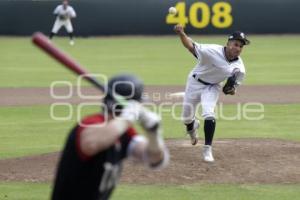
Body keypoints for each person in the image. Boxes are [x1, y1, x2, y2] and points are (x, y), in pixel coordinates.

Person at [51, 74, 169, 200]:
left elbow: (155, 159)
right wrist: (126, 118)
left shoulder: (124, 133)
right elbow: (91, 144)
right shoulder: (92, 123)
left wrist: (154, 134)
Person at [174, 24, 250, 162]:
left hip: (212, 87)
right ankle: (192, 128)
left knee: (209, 113)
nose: (238, 48)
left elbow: (231, 90)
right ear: (228, 43)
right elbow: (190, 46)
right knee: (186, 118)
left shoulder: (240, 68)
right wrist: (181, 33)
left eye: (241, 46)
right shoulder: (211, 50)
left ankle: (207, 148)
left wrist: (230, 89)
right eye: (235, 44)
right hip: (194, 82)